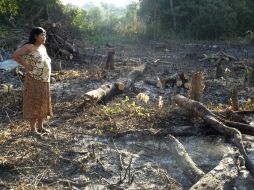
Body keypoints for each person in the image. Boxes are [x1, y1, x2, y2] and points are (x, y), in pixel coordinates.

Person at [12, 27, 52, 133]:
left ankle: (40, 126)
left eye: (45, 35)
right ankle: (33, 130)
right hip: (34, 79)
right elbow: (15, 55)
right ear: (35, 36)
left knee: (42, 102)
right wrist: (25, 65)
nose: (44, 37)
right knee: (33, 102)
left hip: (44, 80)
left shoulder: (43, 47)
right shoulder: (29, 47)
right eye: (42, 35)